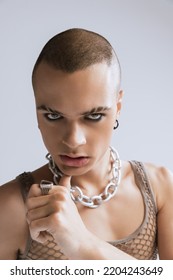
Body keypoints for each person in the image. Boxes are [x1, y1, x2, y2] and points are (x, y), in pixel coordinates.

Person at [0, 28, 173, 260]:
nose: (73, 140)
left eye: (93, 116)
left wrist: (82, 243)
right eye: (53, 116)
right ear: (36, 110)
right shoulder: (10, 208)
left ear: (118, 107)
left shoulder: (159, 189)